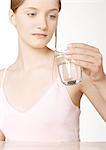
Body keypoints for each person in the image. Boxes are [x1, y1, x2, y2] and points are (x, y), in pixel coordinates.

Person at [0, 0, 106, 142]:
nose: (43, 25)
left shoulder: (71, 70)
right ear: (12, 17)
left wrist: (100, 80)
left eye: (52, 16)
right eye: (32, 14)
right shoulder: (2, 80)